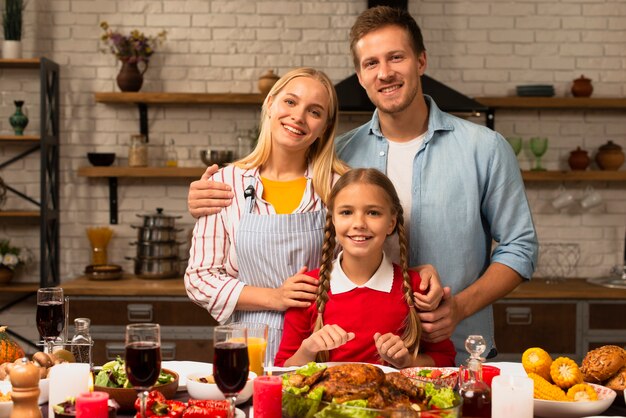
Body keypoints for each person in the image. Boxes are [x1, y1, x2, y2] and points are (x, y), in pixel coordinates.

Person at [187, 6, 538, 363]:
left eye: (396, 57)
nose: (385, 73)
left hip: (458, 352)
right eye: (371, 63)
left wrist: (459, 306)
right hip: (362, 359)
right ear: (359, 75)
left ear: (421, 61)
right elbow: (282, 178)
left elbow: (520, 247)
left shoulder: (485, 148)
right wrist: (206, 195)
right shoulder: (337, 159)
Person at [185, 67, 350, 362]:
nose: (298, 116)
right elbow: (199, 279)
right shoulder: (225, 183)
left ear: (325, 126)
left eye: (314, 111)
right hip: (246, 346)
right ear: (270, 103)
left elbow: (362, 268)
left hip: (319, 343)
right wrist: (275, 297)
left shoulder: (339, 187)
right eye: (290, 102)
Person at [274, 168, 456, 368]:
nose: (359, 223)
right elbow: (282, 368)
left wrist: (407, 361)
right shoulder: (307, 288)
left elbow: (445, 360)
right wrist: (308, 350)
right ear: (333, 220)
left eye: (373, 213)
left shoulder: (416, 288)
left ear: (391, 223)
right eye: (346, 212)